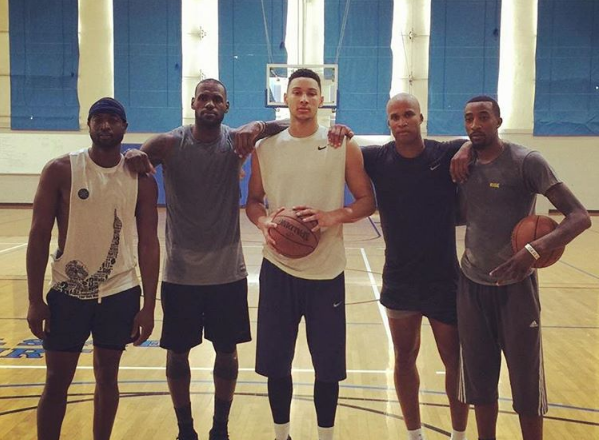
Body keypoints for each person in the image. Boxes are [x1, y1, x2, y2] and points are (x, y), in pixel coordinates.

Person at [245, 68, 376, 440]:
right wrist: (264, 221)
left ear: (322, 99)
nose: (304, 99)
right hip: (278, 269)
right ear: (285, 98)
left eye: (311, 93)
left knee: (328, 368)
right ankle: (281, 435)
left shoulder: (341, 144)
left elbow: (367, 201)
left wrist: (333, 216)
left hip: (326, 272)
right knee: (276, 364)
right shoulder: (265, 148)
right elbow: (253, 201)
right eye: (297, 92)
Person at [456, 95, 591, 440]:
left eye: (483, 117)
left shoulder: (527, 161)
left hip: (516, 290)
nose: (475, 125)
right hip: (471, 285)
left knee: (526, 385)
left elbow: (579, 217)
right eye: (469, 119)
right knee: (479, 384)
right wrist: (463, 148)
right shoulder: (464, 162)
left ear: (499, 121)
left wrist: (534, 249)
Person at [26, 97, 160, 440]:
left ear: (124, 127)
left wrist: (148, 306)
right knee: (56, 379)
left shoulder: (141, 178)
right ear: (88, 125)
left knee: (108, 377)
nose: (105, 125)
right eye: (98, 119)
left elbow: (149, 243)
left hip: (120, 293)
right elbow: (38, 236)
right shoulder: (61, 169)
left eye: (113, 120)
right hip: (67, 293)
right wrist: (35, 300)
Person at [360, 93, 470, 440]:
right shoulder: (376, 158)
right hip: (400, 279)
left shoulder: (445, 153)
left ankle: (459, 435)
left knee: (455, 361)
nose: (401, 121)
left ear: (421, 118)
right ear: (388, 123)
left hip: (444, 279)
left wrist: (467, 146)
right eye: (394, 117)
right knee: (404, 358)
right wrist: (341, 132)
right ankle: (414, 434)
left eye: (408, 114)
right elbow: (336, 150)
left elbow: (480, 139)